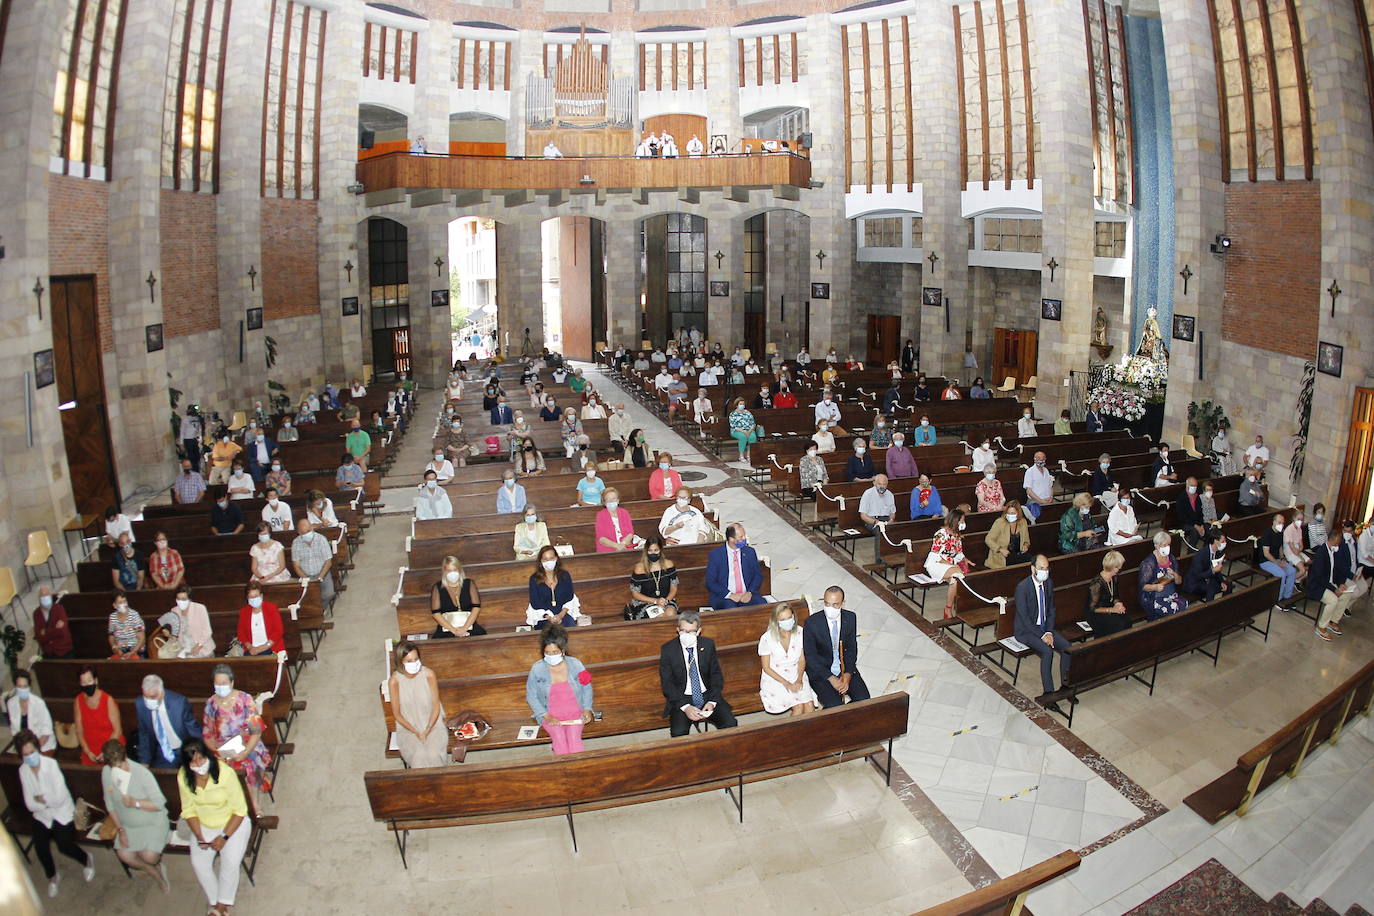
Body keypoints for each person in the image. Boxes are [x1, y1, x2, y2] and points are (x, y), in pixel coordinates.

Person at [17, 729, 96, 898]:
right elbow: (29, 804)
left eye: (32, 752)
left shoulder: (51, 765)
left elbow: (59, 798)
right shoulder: (23, 771)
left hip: (62, 812)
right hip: (42, 816)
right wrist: (44, 801)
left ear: (38, 749)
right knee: (40, 847)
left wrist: (41, 799)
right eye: (26, 754)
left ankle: (86, 859)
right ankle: (52, 876)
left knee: (64, 845)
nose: (30, 757)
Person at [179, 737, 251, 915]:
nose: (199, 764)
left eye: (201, 759)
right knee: (199, 863)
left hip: (232, 823)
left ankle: (221, 906)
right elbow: (189, 810)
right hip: (205, 824)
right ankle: (215, 900)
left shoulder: (224, 773)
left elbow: (240, 810)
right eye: (194, 762)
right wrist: (199, 836)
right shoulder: (183, 776)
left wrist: (224, 837)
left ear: (208, 756)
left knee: (230, 863)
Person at [99, 738, 170, 891]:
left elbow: (159, 804)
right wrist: (121, 830)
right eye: (115, 768)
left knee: (149, 856)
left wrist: (136, 803)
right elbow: (110, 804)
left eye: (122, 765)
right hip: (127, 824)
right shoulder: (107, 773)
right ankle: (152, 871)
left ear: (126, 758)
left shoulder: (142, 773)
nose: (120, 770)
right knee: (125, 855)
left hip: (152, 821)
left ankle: (155, 864)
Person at [203, 664, 272, 809]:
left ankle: (254, 802)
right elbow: (207, 733)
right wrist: (218, 751)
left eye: (224, 683)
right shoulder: (211, 704)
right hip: (224, 747)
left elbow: (256, 731)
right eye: (217, 683)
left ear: (232, 682)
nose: (220, 686)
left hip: (247, 744)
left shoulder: (245, 699)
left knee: (250, 765)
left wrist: (245, 751)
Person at [659, 611, 738, 736]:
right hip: (682, 698)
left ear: (699, 631)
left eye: (692, 631)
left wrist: (712, 702)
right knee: (678, 732)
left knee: (730, 723)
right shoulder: (668, 649)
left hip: (707, 695)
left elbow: (716, 676)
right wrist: (685, 707)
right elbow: (667, 684)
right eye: (684, 631)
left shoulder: (707, 645)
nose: (687, 635)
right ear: (677, 630)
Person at [1014, 556, 1073, 711]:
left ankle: (1066, 686)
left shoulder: (1048, 583)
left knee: (1067, 647)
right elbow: (1025, 618)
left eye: (1046, 568)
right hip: (1026, 631)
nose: (1044, 572)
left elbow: (1051, 609)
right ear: (1033, 568)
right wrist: (1043, 635)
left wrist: (1048, 631)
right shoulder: (1023, 587)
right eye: (1041, 568)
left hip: (1044, 628)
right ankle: (1048, 694)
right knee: (1047, 652)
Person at [526, 626, 594, 754]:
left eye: (555, 652)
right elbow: (531, 696)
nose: (551, 656)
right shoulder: (537, 669)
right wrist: (546, 716)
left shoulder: (576, 664)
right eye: (548, 653)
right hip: (550, 714)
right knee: (560, 741)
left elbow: (587, 688)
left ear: (563, 651)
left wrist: (587, 709)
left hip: (575, 713)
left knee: (575, 743)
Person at [802, 587, 871, 709]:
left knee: (864, 700)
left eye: (835, 605)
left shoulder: (850, 618)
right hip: (821, 671)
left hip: (844, 667)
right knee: (835, 705)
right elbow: (811, 657)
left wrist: (848, 675)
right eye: (827, 604)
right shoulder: (812, 623)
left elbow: (851, 649)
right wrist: (831, 678)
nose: (830, 608)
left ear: (843, 603)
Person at [389, 641, 449, 768]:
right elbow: (397, 714)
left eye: (416, 659)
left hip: (432, 724)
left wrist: (427, 729)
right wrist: (416, 732)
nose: (414, 663)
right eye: (409, 661)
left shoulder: (428, 674)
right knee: (419, 756)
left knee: (433, 755)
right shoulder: (395, 681)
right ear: (401, 662)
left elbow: (436, 706)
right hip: (408, 727)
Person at [133, 673, 201, 769]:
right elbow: (144, 734)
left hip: (185, 749)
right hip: (162, 752)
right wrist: (144, 761)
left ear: (161, 693)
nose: (148, 701)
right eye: (145, 697)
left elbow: (193, 729)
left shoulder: (179, 703)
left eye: (152, 697)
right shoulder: (140, 704)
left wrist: (199, 752)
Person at [758, 603, 816, 716]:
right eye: (783, 619)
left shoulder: (800, 632)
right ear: (776, 621)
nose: (787, 621)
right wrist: (786, 683)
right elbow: (766, 667)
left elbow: (802, 660)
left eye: (789, 618)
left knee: (809, 706)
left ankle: (807, 733)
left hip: (796, 672)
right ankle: (791, 733)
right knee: (798, 707)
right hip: (775, 676)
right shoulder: (767, 638)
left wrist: (799, 679)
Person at [1309, 530, 1355, 641]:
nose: (1338, 545)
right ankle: (1321, 627)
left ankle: (1333, 621)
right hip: (1317, 585)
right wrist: (1334, 589)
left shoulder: (1333, 551)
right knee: (1333, 600)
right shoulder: (1322, 552)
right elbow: (1320, 577)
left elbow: (1335, 571)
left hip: (1329, 583)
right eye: (1337, 543)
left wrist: (1340, 584)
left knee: (1346, 595)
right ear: (1332, 540)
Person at [706, 523, 763, 609]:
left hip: (746, 594)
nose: (744, 539)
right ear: (731, 539)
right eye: (741, 537)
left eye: (744, 535)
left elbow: (758, 575)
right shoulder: (716, 555)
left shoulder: (749, 552)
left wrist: (750, 592)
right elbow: (711, 582)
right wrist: (729, 595)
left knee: (762, 605)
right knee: (731, 611)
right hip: (725, 597)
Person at [75, 665, 124, 765]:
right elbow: (79, 731)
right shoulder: (78, 701)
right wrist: (87, 751)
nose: (87, 685)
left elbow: (117, 730)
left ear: (96, 681)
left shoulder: (108, 700)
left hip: (111, 748)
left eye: (89, 681)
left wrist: (106, 752)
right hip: (90, 750)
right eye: (83, 682)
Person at [925, 509, 968, 617]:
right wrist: (951, 565)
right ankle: (953, 607)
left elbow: (958, 552)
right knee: (958, 573)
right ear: (955, 521)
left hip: (950, 566)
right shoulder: (941, 534)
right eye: (962, 521)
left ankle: (948, 608)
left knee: (955, 580)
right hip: (936, 564)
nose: (963, 523)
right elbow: (935, 556)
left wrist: (964, 559)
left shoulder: (957, 535)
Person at [291, 517, 336, 610]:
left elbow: (328, 562)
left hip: (323, 573)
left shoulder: (321, 539)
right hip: (305, 575)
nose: (307, 534)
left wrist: (320, 577)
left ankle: (321, 609)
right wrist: (305, 578)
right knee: (306, 598)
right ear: (299, 533)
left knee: (329, 594)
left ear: (312, 528)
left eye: (308, 530)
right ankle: (316, 611)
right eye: (304, 533)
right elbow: (296, 565)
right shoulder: (296, 543)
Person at [528, 546, 580, 628]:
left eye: (551, 558)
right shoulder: (534, 579)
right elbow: (535, 603)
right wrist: (549, 617)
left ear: (556, 558)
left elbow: (570, 597)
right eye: (545, 559)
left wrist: (560, 615)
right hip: (544, 617)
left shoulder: (564, 575)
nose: (549, 562)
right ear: (541, 561)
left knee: (569, 627)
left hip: (563, 614)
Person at [1083, 551, 1131, 638]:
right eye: (1119, 567)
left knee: (1127, 620)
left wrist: (1118, 604)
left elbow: (1115, 595)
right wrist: (1112, 610)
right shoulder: (1096, 584)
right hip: (1097, 613)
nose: (1120, 568)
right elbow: (1093, 608)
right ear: (1114, 568)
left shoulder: (1114, 577)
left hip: (1110, 607)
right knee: (1119, 625)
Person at [628, 535, 679, 618]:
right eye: (650, 551)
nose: (653, 553)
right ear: (646, 551)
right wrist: (656, 601)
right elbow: (635, 594)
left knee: (670, 614)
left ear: (660, 550)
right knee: (660, 615)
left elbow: (674, 588)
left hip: (666, 600)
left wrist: (666, 601)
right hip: (645, 602)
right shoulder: (640, 568)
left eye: (656, 550)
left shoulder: (669, 564)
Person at [1138, 531, 1184, 620]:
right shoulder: (1148, 563)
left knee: (1183, 605)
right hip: (1154, 596)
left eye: (1168, 545)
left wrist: (1174, 574)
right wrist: (1155, 587)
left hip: (1171, 594)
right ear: (1157, 546)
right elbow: (1143, 586)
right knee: (1172, 610)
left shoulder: (1171, 558)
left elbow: (1179, 581)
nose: (1167, 547)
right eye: (1164, 545)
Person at [7, 670, 56, 753]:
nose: (22, 689)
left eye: (25, 686)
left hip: (43, 745)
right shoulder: (11, 703)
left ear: (29, 687)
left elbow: (46, 731)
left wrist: (33, 750)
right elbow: (14, 730)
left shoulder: (38, 703)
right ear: (15, 686)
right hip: (24, 746)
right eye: (19, 686)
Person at [1260, 512, 1299, 604]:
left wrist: (1282, 559)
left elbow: (1280, 547)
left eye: (1282, 523)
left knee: (1292, 571)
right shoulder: (1267, 534)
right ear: (1273, 522)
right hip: (1266, 561)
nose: (1280, 525)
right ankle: (1278, 599)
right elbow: (1266, 554)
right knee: (1282, 574)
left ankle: (1287, 596)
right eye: (1279, 522)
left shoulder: (1280, 533)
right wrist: (1277, 563)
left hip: (1276, 560)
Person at [858, 474, 896, 564]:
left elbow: (892, 513)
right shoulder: (867, 494)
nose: (882, 486)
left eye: (884, 484)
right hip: (871, 520)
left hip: (885, 519)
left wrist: (891, 520)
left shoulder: (890, 494)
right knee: (880, 531)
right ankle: (879, 560)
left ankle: (893, 558)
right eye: (880, 484)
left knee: (896, 529)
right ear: (874, 483)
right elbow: (863, 515)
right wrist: (876, 522)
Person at [237, 584, 284, 655]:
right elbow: (241, 633)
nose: (253, 599)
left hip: (270, 647)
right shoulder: (244, 612)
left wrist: (262, 648)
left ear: (261, 596)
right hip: (251, 649)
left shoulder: (271, 608)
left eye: (256, 596)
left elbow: (278, 631)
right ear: (247, 598)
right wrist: (250, 647)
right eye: (251, 597)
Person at [170, 586, 215, 658]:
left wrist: (198, 646)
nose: (180, 602)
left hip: (201, 647)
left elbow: (207, 632)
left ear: (189, 599)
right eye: (178, 599)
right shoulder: (174, 611)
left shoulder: (200, 608)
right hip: (183, 648)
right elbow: (175, 634)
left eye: (183, 599)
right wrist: (169, 635)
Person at [985, 501, 1032, 569]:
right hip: (1002, 557)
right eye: (1008, 513)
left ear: (1018, 513)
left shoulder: (1023, 522)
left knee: (1032, 560)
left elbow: (1027, 540)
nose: (1010, 515)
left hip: (1018, 554)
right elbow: (988, 539)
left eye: (1012, 513)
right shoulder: (1000, 522)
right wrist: (1000, 549)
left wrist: (1025, 545)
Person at [595, 488, 638, 552]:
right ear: (604, 502)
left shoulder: (624, 513)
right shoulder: (600, 515)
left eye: (613, 498)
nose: (611, 501)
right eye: (608, 499)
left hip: (625, 547)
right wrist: (617, 546)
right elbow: (601, 539)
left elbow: (630, 533)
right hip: (608, 549)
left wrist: (623, 544)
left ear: (618, 500)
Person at [108, 592, 146, 658]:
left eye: (125, 601)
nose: (124, 605)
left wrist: (132, 652)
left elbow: (142, 638)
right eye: (120, 603)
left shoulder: (134, 615)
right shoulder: (112, 617)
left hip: (135, 649)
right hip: (120, 649)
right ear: (114, 605)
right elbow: (111, 636)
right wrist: (115, 648)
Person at [1022, 451, 1054, 522]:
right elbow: (1029, 490)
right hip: (1035, 502)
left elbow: (1050, 486)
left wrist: (1051, 498)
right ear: (1035, 459)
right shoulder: (1030, 471)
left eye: (1043, 458)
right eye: (1039, 458)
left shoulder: (1046, 470)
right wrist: (1041, 501)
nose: (1041, 460)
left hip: (1048, 500)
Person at [728, 397, 762, 463]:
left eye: (743, 404)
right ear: (736, 405)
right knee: (743, 437)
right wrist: (744, 431)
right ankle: (741, 456)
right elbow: (733, 426)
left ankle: (749, 455)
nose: (742, 405)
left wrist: (749, 431)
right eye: (740, 404)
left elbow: (753, 423)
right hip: (737, 431)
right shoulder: (733, 414)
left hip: (749, 430)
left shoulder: (748, 413)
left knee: (753, 437)